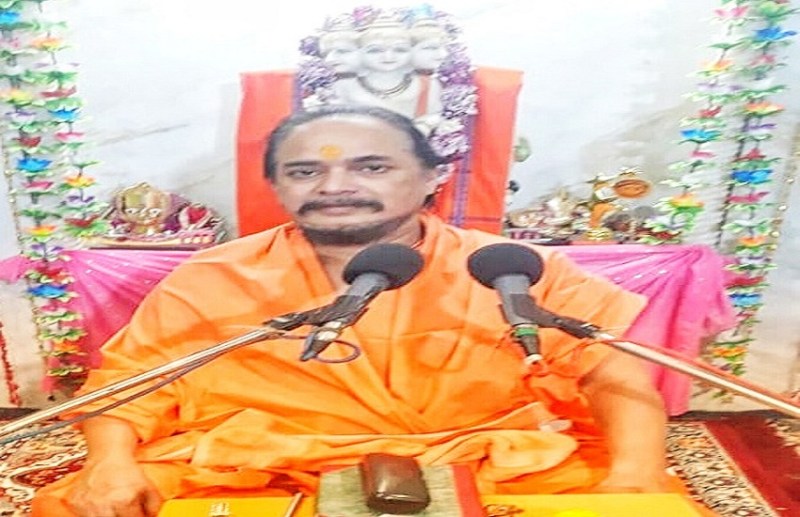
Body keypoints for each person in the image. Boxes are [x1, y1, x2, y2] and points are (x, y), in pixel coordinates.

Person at [32, 105, 670, 517]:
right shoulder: (215, 276)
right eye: (304, 172)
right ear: (276, 186)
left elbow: (613, 376)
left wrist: (635, 477)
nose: (335, 186)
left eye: (372, 167)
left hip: (487, 459)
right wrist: (108, 464)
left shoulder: (509, 268)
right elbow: (131, 386)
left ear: (431, 178)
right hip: (267, 464)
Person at [330, 16, 443, 130]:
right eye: (375, 50)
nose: (388, 57)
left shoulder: (428, 85)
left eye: (399, 50)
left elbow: (434, 116)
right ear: (359, 53)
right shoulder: (344, 87)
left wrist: (423, 127)